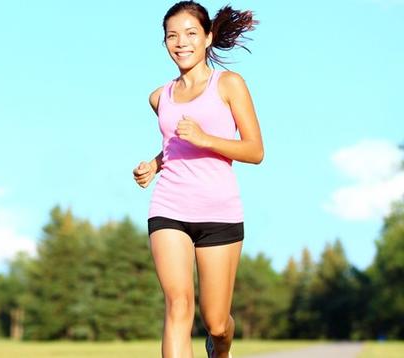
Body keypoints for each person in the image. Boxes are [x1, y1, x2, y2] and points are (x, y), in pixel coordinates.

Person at [132, 2, 263, 358]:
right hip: (169, 207)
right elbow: (175, 147)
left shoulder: (230, 85)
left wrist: (206, 139)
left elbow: (254, 150)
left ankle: (221, 350)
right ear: (164, 44)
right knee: (178, 306)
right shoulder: (160, 97)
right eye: (172, 35)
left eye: (191, 33)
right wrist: (154, 165)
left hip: (219, 212)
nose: (181, 42)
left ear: (208, 38)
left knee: (217, 323)